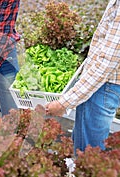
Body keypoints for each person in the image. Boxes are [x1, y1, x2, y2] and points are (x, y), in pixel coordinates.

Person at [46, 0, 120, 154]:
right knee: (85, 145)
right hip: (104, 85)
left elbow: (105, 65)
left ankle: (85, 176)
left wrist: (64, 103)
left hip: (102, 87)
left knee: (88, 154)